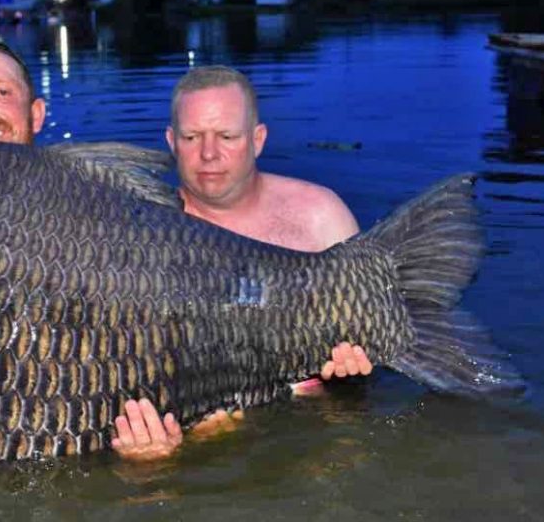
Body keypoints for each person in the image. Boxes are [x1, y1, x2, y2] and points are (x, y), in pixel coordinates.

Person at [111, 65, 374, 461]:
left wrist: (356, 373)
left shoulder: (321, 216)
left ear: (258, 139)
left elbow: (375, 348)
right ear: (171, 142)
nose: (209, 153)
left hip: (316, 430)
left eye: (227, 136)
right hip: (206, 447)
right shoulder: (139, 239)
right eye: (192, 137)